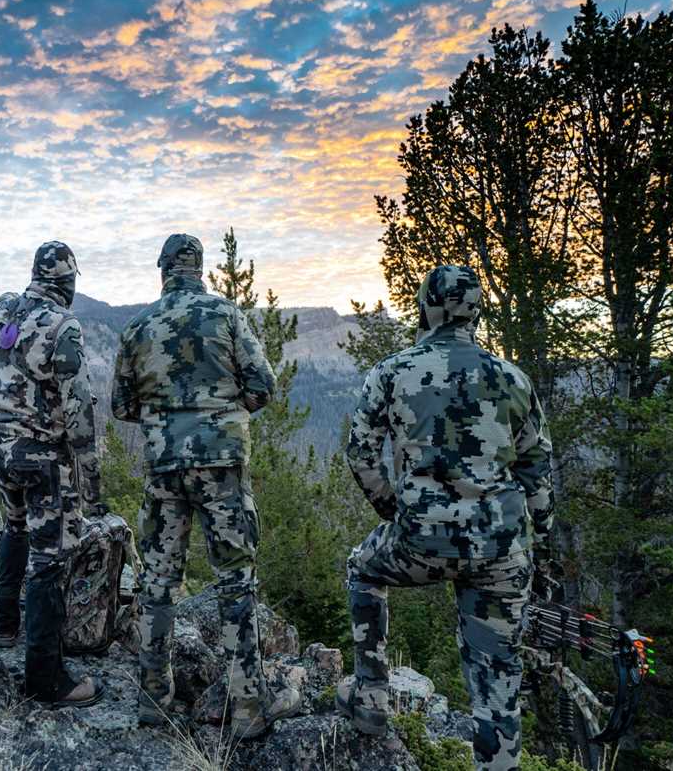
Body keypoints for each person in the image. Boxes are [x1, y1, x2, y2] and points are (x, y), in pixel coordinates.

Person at [337, 265, 554, 771]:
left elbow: (360, 455)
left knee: (363, 569)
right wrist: (535, 539)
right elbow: (537, 467)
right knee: (497, 684)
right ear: (476, 312)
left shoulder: (392, 372)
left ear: (427, 307)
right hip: (500, 550)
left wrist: (395, 511)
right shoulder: (511, 377)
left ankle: (371, 694)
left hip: (421, 541)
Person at [111, 233, 300, 739]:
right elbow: (263, 387)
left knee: (158, 579)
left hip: (165, 466)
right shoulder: (227, 316)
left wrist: (166, 416)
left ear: (163, 270)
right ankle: (247, 707)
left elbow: (122, 406)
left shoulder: (138, 326)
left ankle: (154, 695)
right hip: (222, 465)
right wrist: (221, 411)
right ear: (200, 269)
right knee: (235, 579)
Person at [0, 240, 105, 707]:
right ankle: (46, 678)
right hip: (41, 460)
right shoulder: (64, 327)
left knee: (13, 527)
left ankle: (2, 624)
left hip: (1, 448)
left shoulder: (3, 309)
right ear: (69, 281)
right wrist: (92, 482)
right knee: (50, 559)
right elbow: (78, 413)